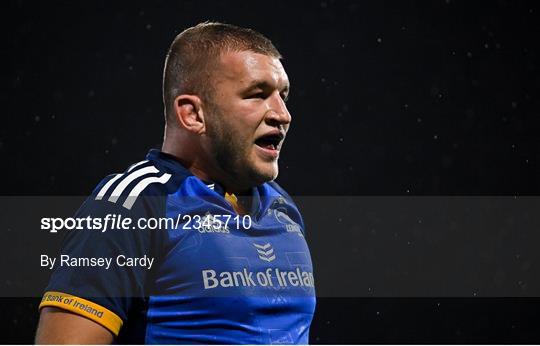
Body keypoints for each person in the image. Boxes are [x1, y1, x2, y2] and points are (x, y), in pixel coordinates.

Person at [35, 22, 316, 344]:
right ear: (193, 114)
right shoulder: (134, 204)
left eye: (283, 96)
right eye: (257, 95)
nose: (283, 114)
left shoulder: (283, 209)